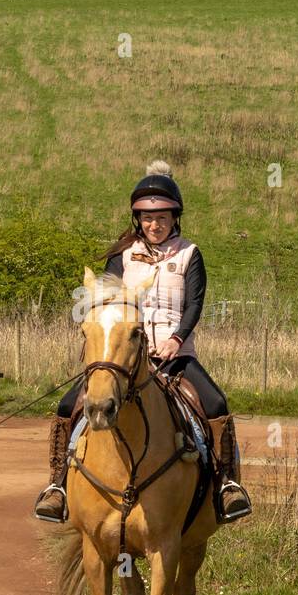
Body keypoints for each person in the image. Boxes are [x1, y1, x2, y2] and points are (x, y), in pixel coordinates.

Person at [33, 161, 253, 525]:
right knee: (67, 405)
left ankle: (226, 485)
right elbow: (103, 304)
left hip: (174, 356)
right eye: (148, 219)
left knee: (215, 402)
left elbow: (194, 304)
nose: (155, 225)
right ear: (138, 220)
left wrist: (175, 340)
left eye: (162, 218)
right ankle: (57, 486)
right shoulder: (121, 256)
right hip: (124, 358)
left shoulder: (189, 254)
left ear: (174, 218)